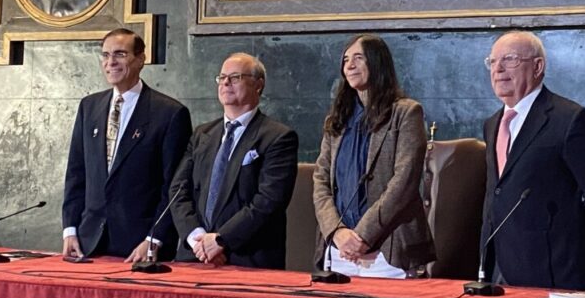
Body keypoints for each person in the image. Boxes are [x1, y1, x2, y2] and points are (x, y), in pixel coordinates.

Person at [481, 30, 585, 290]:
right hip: (496, 267)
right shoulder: (492, 124)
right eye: (492, 61)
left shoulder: (569, 119)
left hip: (551, 269)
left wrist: (574, 247)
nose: (498, 69)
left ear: (538, 66)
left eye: (509, 59)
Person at [61, 28, 192, 261]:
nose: (111, 62)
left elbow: (174, 186)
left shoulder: (170, 113)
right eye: (105, 55)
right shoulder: (88, 107)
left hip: (141, 248)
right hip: (88, 244)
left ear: (141, 59)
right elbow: (76, 173)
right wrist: (70, 229)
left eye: (120, 54)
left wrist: (154, 238)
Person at [313, 34, 436, 278]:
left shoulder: (405, 112)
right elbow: (321, 180)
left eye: (358, 58)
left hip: (388, 252)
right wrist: (337, 232)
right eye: (346, 59)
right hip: (338, 250)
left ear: (377, 63)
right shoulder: (337, 119)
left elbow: (404, 181)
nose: (349, 65)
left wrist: (363, 235)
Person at [170, 53, 298, 268]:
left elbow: (268, 201)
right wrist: (198, 240)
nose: (226, 82)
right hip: (195, 256)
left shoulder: (278, 137)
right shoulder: (202, 134)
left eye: (235, 77)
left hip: (247, 258)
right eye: (222, 77)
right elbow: (178, 190)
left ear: (258, 85)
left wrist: (221, 241)